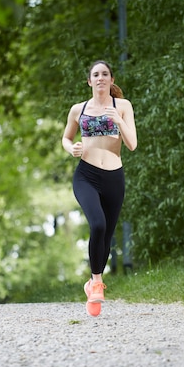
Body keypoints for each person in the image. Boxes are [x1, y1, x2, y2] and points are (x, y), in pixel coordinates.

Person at [61, 60, 137, 316]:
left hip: (114, 176)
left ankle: (93, 286)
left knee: (107, 235)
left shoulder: (122, 106)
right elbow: (66, 137)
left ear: (111, 80)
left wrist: (119, 120)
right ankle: (96, 281)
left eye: (105, 74)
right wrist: (72, 148)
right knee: (98, 225)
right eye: (96, 74)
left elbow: (132, 145)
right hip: (87, 175)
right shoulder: (78, 109)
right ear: (89, 81)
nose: (101, 78)